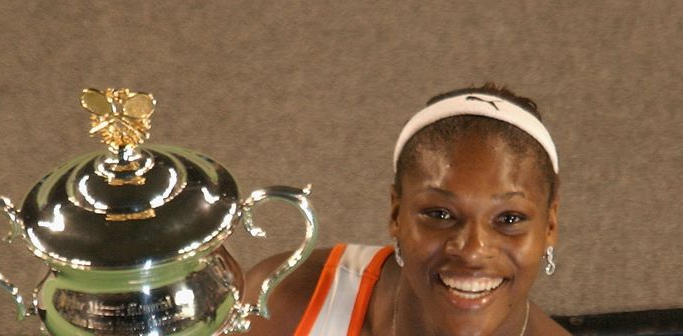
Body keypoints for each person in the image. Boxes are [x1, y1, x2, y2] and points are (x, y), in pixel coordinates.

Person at [244, 84, 571, 335]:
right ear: (396, 213)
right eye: (440, 214)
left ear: (550, 226)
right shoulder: (281, 299)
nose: (472, 251)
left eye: (509, 219)